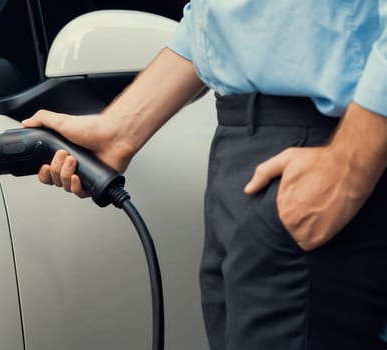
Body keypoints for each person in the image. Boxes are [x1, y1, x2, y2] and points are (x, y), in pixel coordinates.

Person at [22, 1, 387, 349]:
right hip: (236, 143)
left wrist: (349, 164)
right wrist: (119, 130)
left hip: (322, 140)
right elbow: (217, 17)